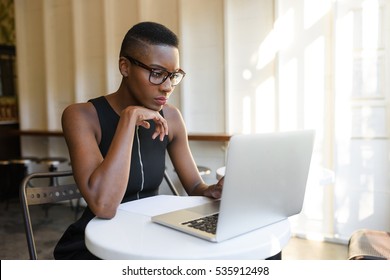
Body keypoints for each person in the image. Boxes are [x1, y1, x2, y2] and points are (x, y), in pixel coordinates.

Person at [54, 21, 224, 259]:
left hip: (148, 235)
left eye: (172, 75)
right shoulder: (81, 116)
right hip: (94, 245)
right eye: (156, 73)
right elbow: (103, 206)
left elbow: (196, 187)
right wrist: (129, 117)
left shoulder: (172, 117)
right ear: (125, 66)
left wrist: (214, 191)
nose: (167, 87)